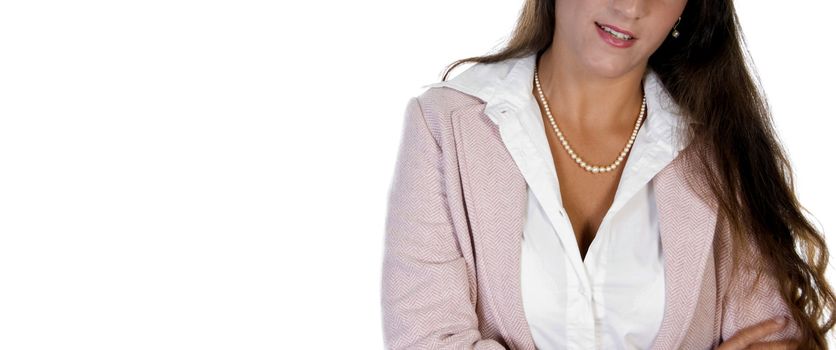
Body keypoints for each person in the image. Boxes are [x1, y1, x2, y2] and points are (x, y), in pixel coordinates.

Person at [381, 0, 835, 349]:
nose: (633, 7)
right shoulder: (445, 125)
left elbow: (772, 337)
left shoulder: (719, 152)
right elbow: (426, 338)